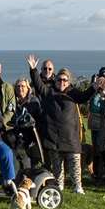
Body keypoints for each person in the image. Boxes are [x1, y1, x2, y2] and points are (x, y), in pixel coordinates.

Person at [27, 55, 92, 194]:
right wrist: (33, 70)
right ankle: (59, 185)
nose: (61, 82)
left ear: (68, 82)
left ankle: (77, 187)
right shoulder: (49, 92)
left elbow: (85, 96)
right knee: (57, 166)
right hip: (54, 137)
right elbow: (38, 84)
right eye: (59, 80)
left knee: (75, 164)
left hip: (71, 137)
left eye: (64, 80)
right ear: (55, 80)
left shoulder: (74, 94)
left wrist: (94, 87)